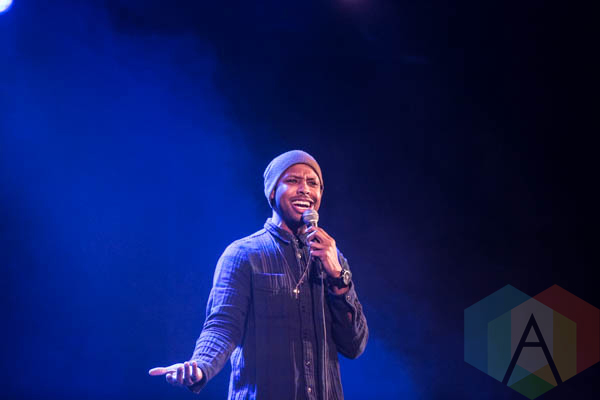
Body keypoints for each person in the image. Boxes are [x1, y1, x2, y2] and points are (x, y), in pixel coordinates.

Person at [149, 150, 368, 399]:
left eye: (313, 183)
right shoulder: (243, 254)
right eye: (293, 180)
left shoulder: (332, 257)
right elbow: (222, 326)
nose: (305, 190)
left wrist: (338, 276)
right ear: (272, 192)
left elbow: (354, 345)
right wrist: (200, 366)